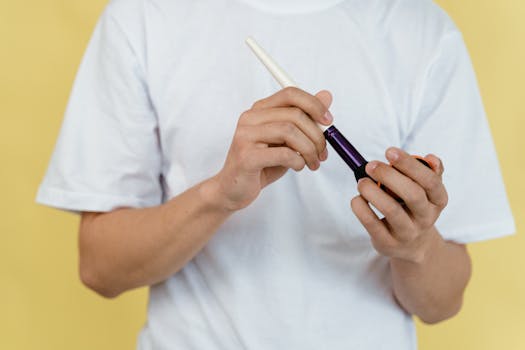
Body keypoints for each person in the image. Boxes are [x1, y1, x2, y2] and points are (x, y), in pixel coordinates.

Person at [36, 0, 515, 348]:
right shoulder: (142, 17)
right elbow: (100, 268)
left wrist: (416, 247)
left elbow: (442, 303)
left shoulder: (425, 32)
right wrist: (221, 193)